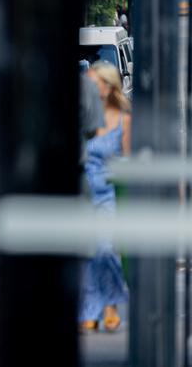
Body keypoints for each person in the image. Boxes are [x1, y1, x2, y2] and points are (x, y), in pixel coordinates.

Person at [79, 61, 131, 333]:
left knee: (106, 250)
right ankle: (91, 309)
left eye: (94, 83)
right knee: (89, 252)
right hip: (85, 191)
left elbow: (129, 161)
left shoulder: (123, 120)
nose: (88, 87)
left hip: (108, 193)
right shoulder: (85, 115)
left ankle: (109, 305)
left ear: (108, 88)